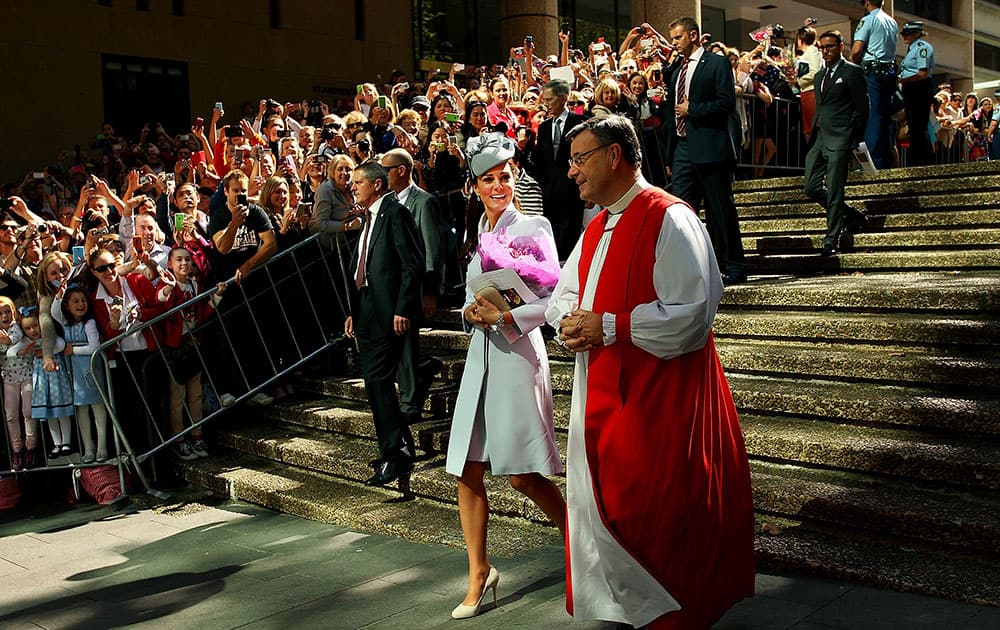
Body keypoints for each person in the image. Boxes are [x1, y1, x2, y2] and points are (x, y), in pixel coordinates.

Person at [545, 115, 754, 629]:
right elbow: (564, 296)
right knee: (606, 498)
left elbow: (693, 313)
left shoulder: (670, 216)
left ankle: (672, 611)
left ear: (614, 155)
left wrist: (609, 327)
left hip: (660, 394)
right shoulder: (598, 224)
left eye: (579, 158)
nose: (572, 172)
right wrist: (569, 324)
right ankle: (626, 604)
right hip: (604, 386)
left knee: (657, 504)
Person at [446, 132, 565, 620]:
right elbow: (472, 293)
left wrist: (507, 318)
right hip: (481, 356)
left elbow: (553, 300)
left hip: (517, 355)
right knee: (466, 466)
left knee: (520, 475)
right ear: (476, 186)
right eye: (489, 179)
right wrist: (468, 313)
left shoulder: (535, 226)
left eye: (505, 177)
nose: (499, 186)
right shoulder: (478, 231)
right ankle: (479, 570)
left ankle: (578, 539)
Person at [343, 162, 423, 488]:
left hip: (389, 312)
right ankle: (396, 449)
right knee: (376, 384)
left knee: (378, 382)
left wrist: (403, 307)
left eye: (358, 183)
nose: (353, 188)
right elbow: (364, 268)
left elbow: (412, 263)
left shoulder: (394, 213)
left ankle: (395, 452)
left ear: (377, 184)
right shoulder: (369, 218)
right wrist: (353, 311)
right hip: (366, 311)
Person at [664, 16, 747, 285]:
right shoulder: (677, 71)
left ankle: (734, 264)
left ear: (693, 35)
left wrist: (693, 110)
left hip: (711, 147)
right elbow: (670, 114)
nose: (674, 43)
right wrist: (670, 154)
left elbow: (726, 103)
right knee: (680, 211)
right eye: (672, 38)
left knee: (720, 209)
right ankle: (691, 267)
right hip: (682, 148)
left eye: (678, 37)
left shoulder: (716, 62)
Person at [379, 148, 446, 425]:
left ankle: (410, 403)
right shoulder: (385, 203)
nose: (382, 176)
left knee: (406, 345)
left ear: (402, 170)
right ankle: (424, 368)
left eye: (387, 170)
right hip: (391, 288)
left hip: (416, 288)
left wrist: (431, 292)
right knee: (395, 348)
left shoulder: (425, 202)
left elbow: (433, 251)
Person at [804, 31, 871, 257]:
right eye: (822, 47)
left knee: (834, 191)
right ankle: (852, 216)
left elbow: (862, 108)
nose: (825, 51)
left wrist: (854, 138)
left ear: (840, 47)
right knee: (811, 187)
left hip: (841, 138)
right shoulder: (819, 75)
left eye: (830, 47)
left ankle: (831, 239)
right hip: (819, 137)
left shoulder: (852, 72)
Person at [51, 284, 108, 464]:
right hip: (74, 373)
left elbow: (94, 347)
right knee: (81, 411)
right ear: (67, 305)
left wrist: (73, 350)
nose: (80, 304)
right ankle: (88, 448)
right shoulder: (66, 324)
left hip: (90, 371)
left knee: (98, 408)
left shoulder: (89, 323)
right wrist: (58, 297)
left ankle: (102, 447)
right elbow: (54, 312)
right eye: (75, 301)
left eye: (83, 300)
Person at [531, 79, 586, 259]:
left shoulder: (579, 122)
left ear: (562, 99)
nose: (545, 105)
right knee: (552, 237)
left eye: (549, 100)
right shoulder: (544, 127)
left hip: (572, 189)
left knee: (570, 236)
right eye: (544, 101)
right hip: (550, 192)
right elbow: (540, 160)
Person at [851, 0, 899, 169]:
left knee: (874, 115)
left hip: (873, 72)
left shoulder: (868, 20)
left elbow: (856, 50)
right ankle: (886, 158)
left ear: (867, 2)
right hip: (889, 71)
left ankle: (872, 161)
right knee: (886, 116)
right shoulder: (892, 21)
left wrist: (855, 63)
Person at [1, 296, 36, 470]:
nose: (4, 316)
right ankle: (17, 449)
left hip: (26, 375)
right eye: (0, 314)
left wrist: (5, 340)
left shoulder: (16, 328)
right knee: (11, 415)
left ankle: (30, 446)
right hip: (8, 379)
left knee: (28, 411)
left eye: (7, 312)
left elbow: (11, 340)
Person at [898, 21, 935, 166]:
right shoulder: (912, 49)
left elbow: (922, 73)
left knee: (918, 126)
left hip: (919, 88)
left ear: (918, 33)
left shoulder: (922, 48)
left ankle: (921, 160)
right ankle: (920, 159)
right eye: (904, 33)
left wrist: (902, 79)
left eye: (910, 33)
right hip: (911, 89)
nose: (906, 36)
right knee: (914, 126)